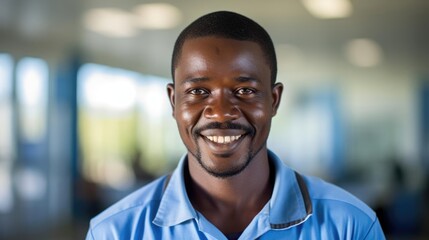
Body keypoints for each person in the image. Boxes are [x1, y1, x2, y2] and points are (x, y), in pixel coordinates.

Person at [86, 11, 385, 240]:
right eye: (198, 92)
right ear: (173, 101)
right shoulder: (114, 232)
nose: (221, 113)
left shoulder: (350, 225)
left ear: (274, 100)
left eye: (244, 91)